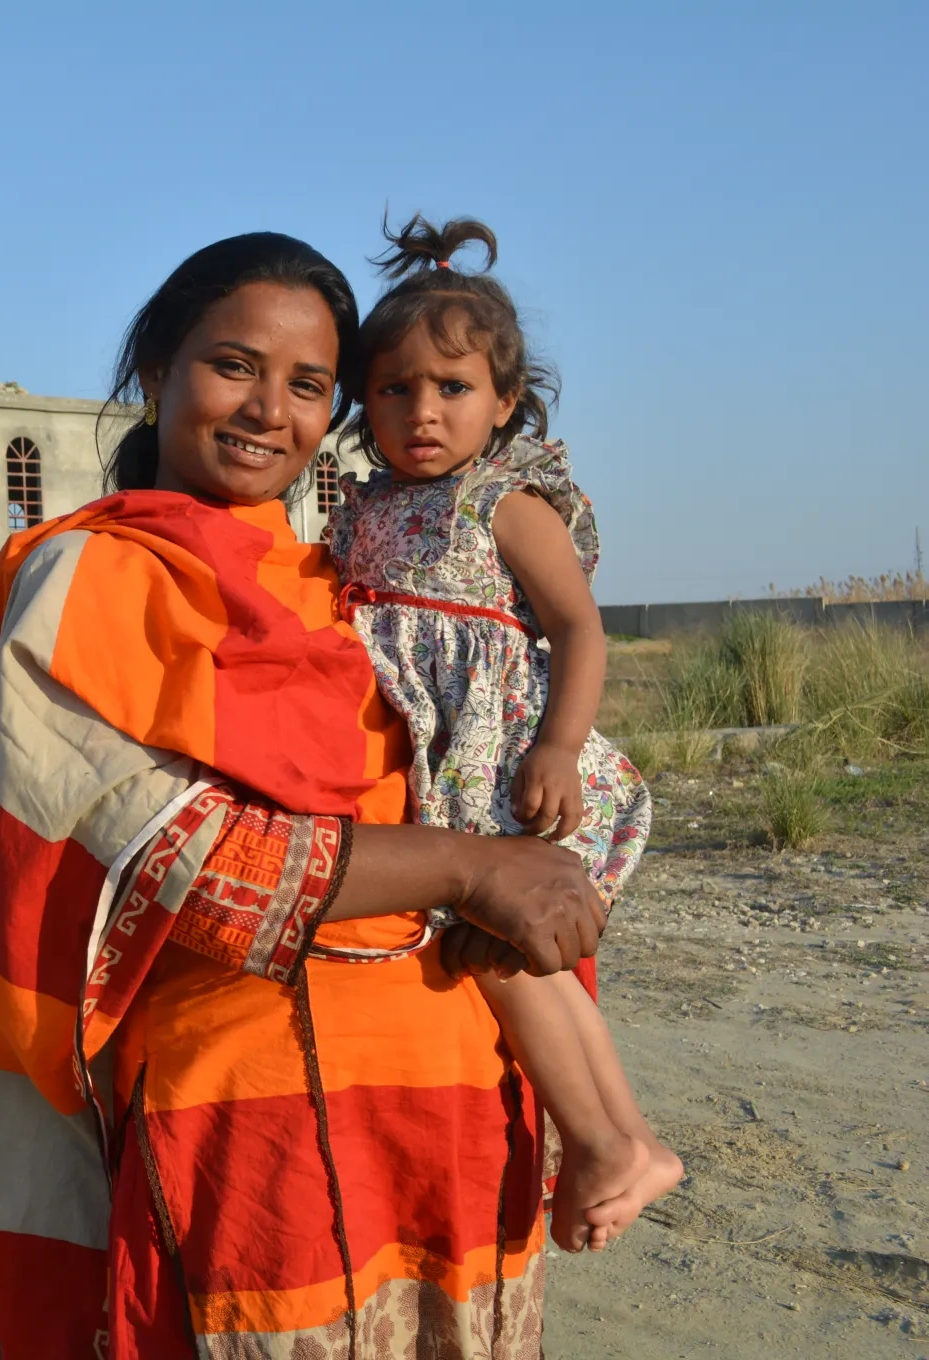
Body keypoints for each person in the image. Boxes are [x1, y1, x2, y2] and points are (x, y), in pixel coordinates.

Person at [0, 233, 609, 1359]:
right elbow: (183, 863)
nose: (267, 411)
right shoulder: (91, 574)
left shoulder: (334, 584)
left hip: (446, 1113)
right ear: (157, 369)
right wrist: (472, 865)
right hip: (253, 1139)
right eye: (233, 366)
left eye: (305, 386)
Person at [327, 215, 680, 1253]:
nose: (421, 411)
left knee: (497, 947)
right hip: (432, 759)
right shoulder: (365, 504)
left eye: (451, 388)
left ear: (504, 404)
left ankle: (607, 1137)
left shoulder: (501, 498)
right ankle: (619, 1138)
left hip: (502, 752)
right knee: (505, 952)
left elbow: (577, 627)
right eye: (392, 389)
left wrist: (560, 748)